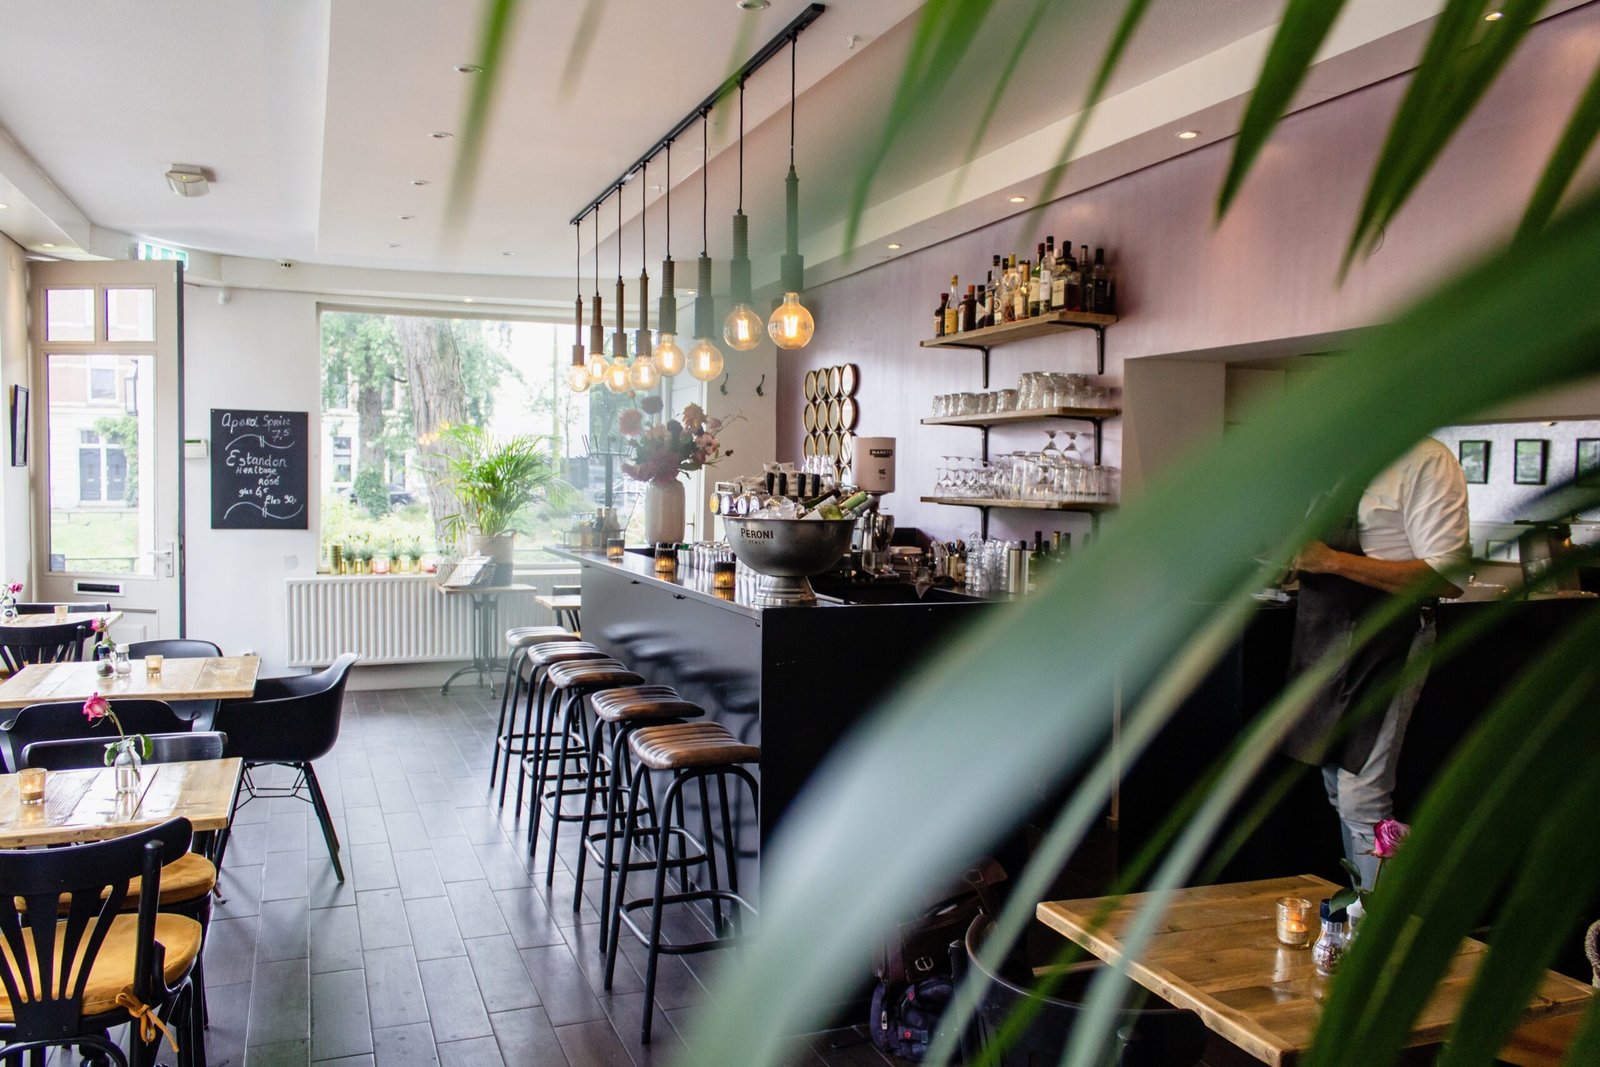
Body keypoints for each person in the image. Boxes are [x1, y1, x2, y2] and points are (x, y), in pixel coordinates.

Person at [1282, 436, 1470, 888]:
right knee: (1335, 787)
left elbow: (1448, 576)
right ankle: (1362, 911)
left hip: (1389, 639)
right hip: (1324, 636)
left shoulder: (1426, 461)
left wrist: (1331, 561)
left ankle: (1380, 935)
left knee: (1361, 798)